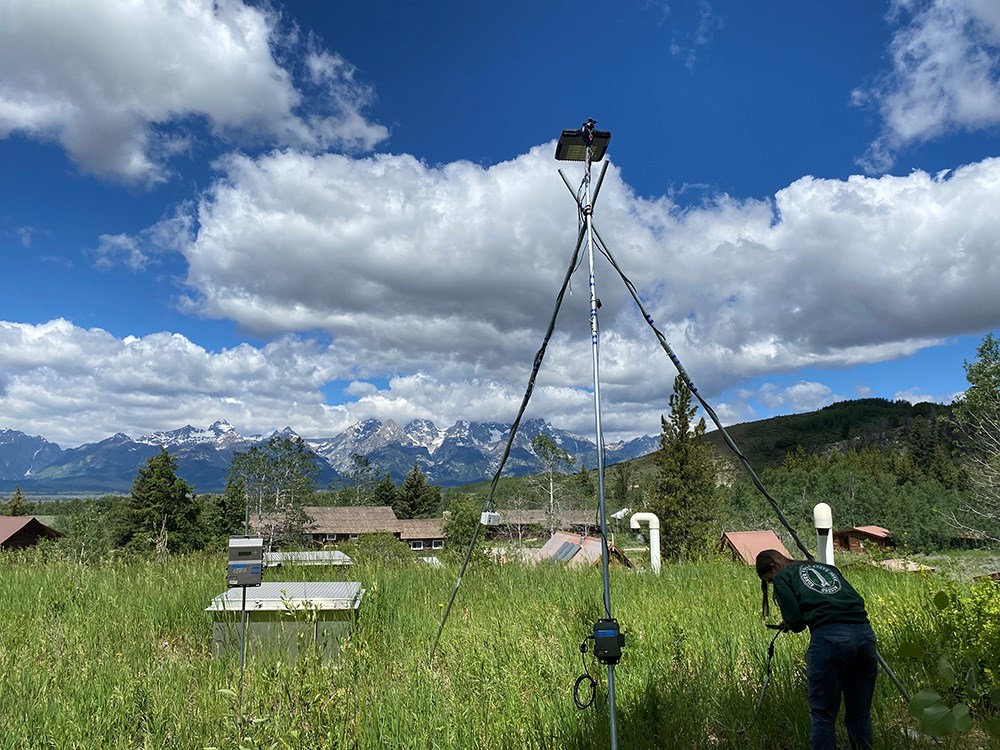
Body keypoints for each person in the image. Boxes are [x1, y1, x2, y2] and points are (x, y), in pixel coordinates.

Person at [755, 549, 878, 750]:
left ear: (773, 567)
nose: (772, 583)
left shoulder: (783, 576)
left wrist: (790, 622)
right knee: (860, 715)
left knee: (823, 715)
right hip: (864, 634)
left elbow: (796, 621)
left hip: (829, 638)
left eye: (769, 580)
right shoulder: (827, 568)